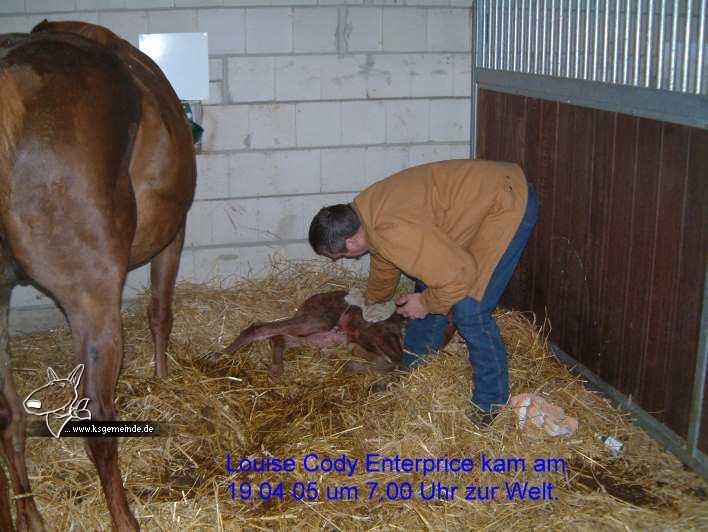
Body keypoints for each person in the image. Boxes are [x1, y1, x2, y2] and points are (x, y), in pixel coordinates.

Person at [308, 159, 539, 426]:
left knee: (469, 309)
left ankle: (490, 404)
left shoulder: (391, 229)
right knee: (430, 281)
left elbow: (459, 275)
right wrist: (373, 299)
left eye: (340, 256)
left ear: (350, 241)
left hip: (505, 202)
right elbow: (385, 257)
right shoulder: (364, 213)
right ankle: (411, 372)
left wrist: (427, 303)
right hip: (478, 202)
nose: (342, 260)